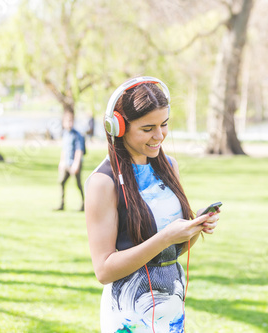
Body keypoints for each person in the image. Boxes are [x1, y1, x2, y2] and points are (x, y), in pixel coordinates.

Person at [84, 77, 220, 333]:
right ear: (118, 127)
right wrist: (165, 237)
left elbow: (172, 251)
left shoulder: (169, 167)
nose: (159, 135)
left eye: (164, 124)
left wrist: (194, 227)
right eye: (147, 129)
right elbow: (103, 270)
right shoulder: (103, 183)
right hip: (128, 313)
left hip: (171, 306)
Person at [54, 112, 85, 211]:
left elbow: (79, 150)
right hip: (66, 163)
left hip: (74, 163)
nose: (69, 123)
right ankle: (62, 204)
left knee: (78, 184)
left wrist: (76, 164)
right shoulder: (65, 134)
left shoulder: (77, 135)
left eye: (71, 121)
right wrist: (61, 162)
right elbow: (64, 149)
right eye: (67, 121)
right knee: (61, 182)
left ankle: (84, 204)